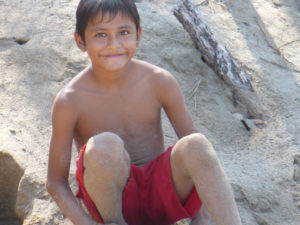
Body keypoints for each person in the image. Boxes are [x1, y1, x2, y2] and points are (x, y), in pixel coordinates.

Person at [46, 0, 242, 225]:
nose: (113, 44)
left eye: (124, 32)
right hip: (110, 205)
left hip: (161, 195)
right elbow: (55, 182)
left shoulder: (159, 81)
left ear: (138, 35)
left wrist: (202, 215)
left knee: (196, 143)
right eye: (100, 35)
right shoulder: (70, 100)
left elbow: (199, 158)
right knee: (104, 145)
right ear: (81, 41)